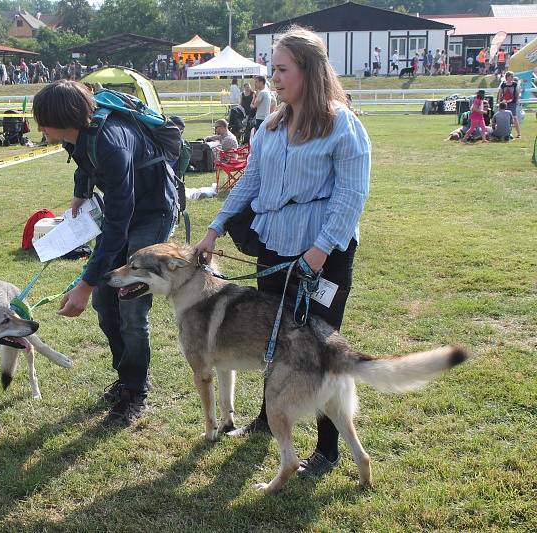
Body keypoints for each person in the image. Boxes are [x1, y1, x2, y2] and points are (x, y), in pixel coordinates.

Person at [194, 25, 371, 480]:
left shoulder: (341, 124)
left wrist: (319, 251)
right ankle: (269, 417)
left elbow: (350, 196)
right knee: (271, 339)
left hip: (322, 254)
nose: (273, 77)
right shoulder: (271, 125)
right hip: (275, 248)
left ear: (309, 71)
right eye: (272, 68)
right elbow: (250, 183)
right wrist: (214, 227)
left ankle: (327, 449)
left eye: (282, 69)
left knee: (319, 346)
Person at [31, 80, 178, 427]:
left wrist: (85, 283)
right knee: (104, 303)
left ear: (61, 118)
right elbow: (83, 162)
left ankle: (136, 390)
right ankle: (126, 377)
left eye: (42, 120)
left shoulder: (110, 141)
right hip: (124, 212)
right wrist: (81, 192)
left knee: (129, 304)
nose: (39, 128)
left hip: (152, 212)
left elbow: (118, 222)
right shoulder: (80, 134)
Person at [250, 75, 276, 140]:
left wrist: (254, 97)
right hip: (266, 117)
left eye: (256, 82)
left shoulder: (262, 93)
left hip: (260, 118)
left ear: (261, 82)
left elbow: (254, 105)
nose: (255, 84)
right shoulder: (267, 92)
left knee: (259, 137)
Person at [497, 71, 521, 139]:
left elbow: (517, 93)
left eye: (513, 76)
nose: (513, 77)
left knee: (514, 117)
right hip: (504, 103)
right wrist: (499, 101)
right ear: (507, 77)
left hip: (512, 103)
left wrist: (516, 100)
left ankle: (519, 134)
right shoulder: (503, 84)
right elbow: (500, 93)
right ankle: (504, 132)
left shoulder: (515, 84)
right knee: (503, 117)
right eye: (511, 76)